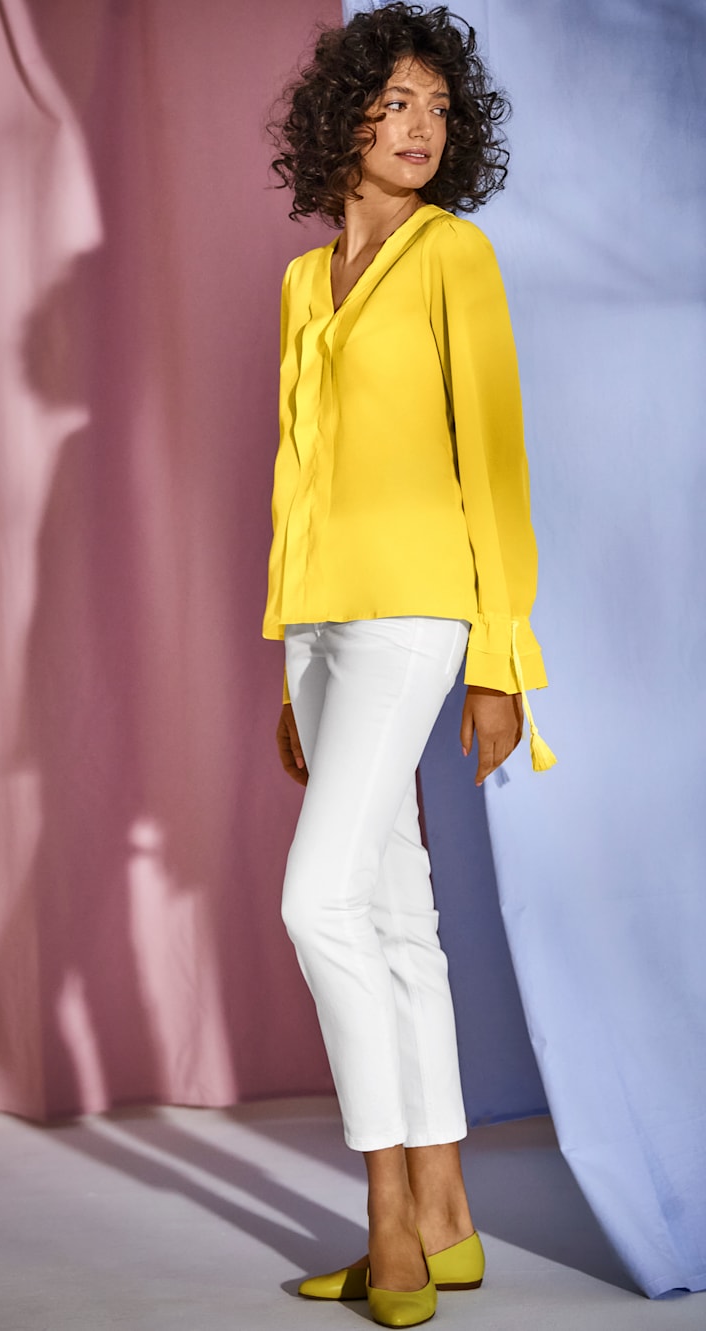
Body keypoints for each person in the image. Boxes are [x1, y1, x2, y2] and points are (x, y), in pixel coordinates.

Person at [263, 4, 554, 1326]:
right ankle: (450, 1220)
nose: (421, 125)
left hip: (416, 616)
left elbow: (495, 465)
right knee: (388, 914)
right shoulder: (302, 283)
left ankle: (389, 1219)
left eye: (439, 106)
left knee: (315, 902)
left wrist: (502, 658)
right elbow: (297, 480)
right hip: (322, 622)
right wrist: (284, 659)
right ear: (344, 118)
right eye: (395, 102)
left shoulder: (454, 254)